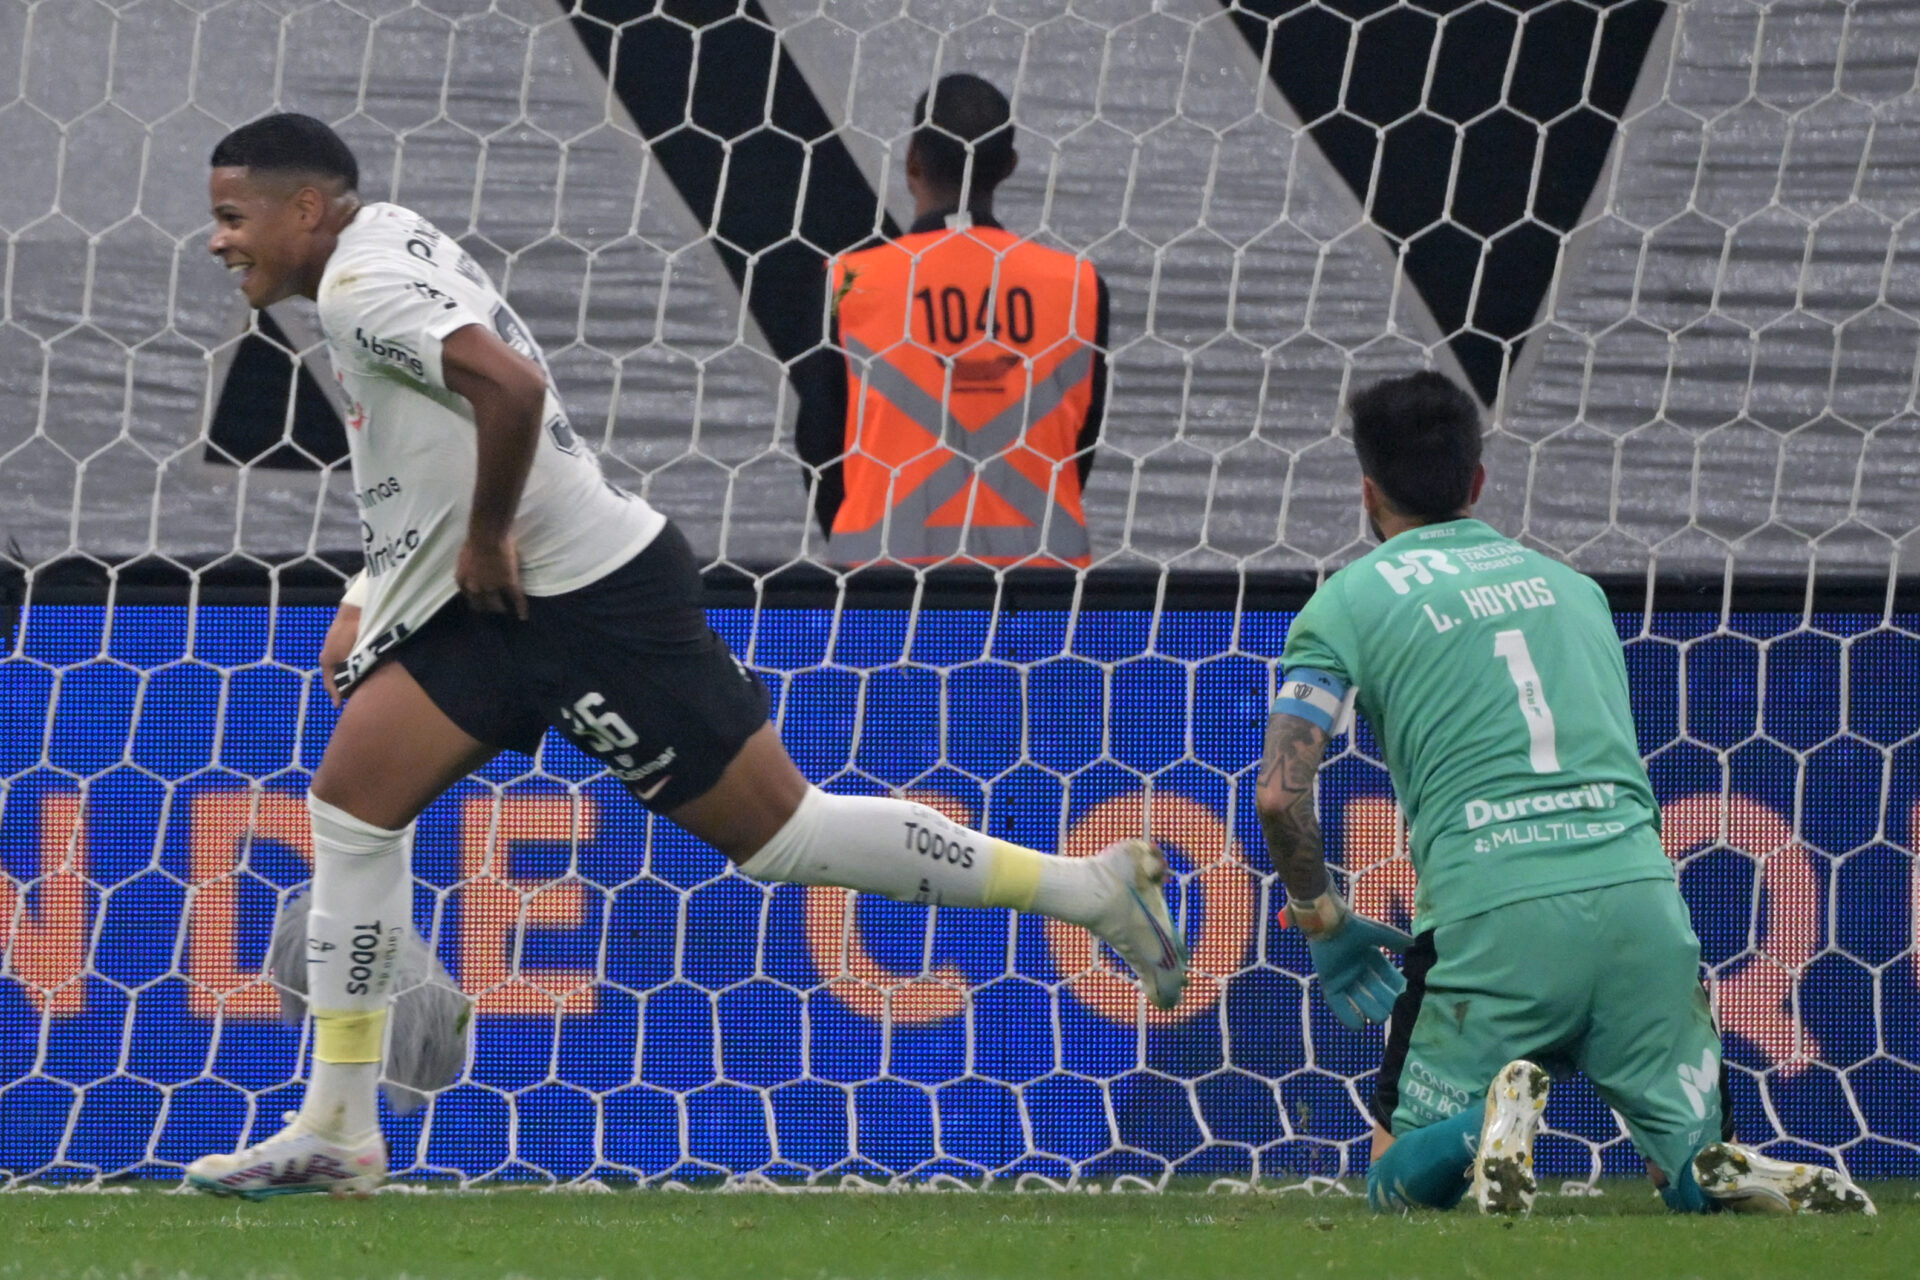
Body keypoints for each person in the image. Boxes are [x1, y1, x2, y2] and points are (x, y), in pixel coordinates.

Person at [187, 113, 1186, 1199]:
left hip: (588, 602)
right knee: (350, 807)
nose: (218, 240)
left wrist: (482, 539)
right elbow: (427, 439)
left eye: (233, 217)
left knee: (786, 834)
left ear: (305, 210)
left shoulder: (358, 286)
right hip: (494, 609)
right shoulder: (379, 242)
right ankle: (338, 1122)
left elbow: (512, 391)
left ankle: (1083, 887)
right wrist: (371, 588)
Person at [1256, 371, 1873, 1216]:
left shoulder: (1347, 604)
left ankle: (1484, 1129)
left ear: (1368, 492)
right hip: (1642, 909)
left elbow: (1280, 797)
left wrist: (1320, 916)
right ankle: (1719, 1167)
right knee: (1692, 1183)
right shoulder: (1575, 592)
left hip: (1494, 922)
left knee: (1393, 1187)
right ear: (1478, 482)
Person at [793, 73, 1109, 568]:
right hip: (1041, 588)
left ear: (912, 159)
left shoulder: (849, 282)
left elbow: (818, 443)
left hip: (883, 583)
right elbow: (1080, 442)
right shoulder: (1078, 285)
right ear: (1009, 166)